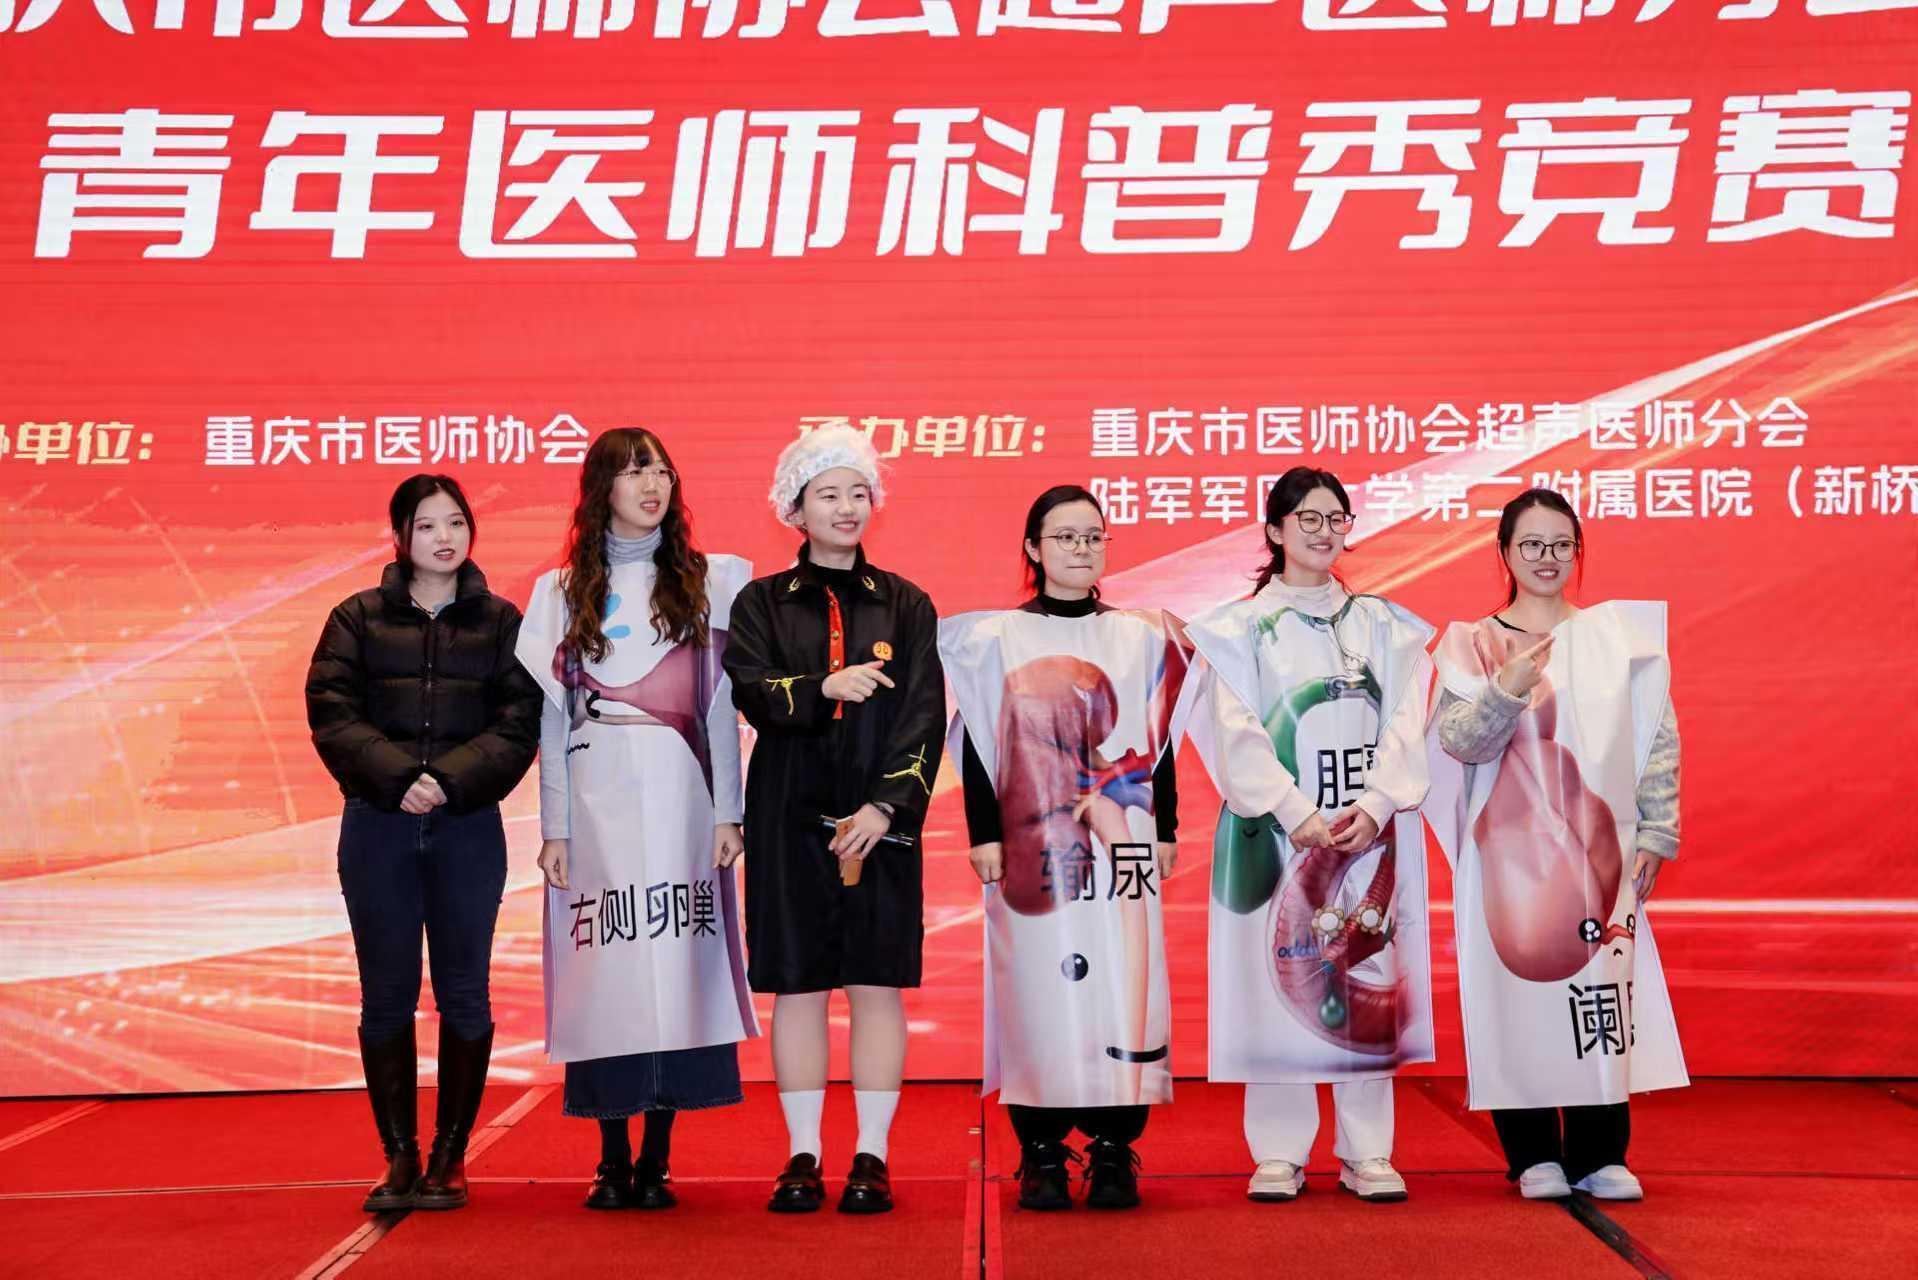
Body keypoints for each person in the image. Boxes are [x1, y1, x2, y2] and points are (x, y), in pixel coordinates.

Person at [517, 429, 758, 1211]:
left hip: (685, 802)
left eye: (659, 470)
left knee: (678, 967)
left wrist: (729, 813)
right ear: (602, 490)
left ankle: (657, 1157)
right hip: (598, 811)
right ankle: (611, 1156)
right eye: (632, 473)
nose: (651, 485)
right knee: (608, 972)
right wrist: (555, 829)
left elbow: (720, 709)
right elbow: (555, 722)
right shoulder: (559, 594)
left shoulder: (708, 583)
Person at [1181, 466, 1435, 1204]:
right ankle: (1278, 1152)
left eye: (1336, 519)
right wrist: (1297, 814)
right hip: (1275, 834)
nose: (1325, 533)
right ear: (1274, 530)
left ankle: (1368, 1151)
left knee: (1368, 971)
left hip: (1368, 834)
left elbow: (1407, 723)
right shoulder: (1237, 630)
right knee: (1276, 981)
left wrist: (1377, 804)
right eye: (1308, 519)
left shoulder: (1386, 625)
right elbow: (1234, 734)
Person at [1427, 487, 1686, 1202]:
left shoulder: (1617, 637)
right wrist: (1505, 690)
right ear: (1505, 553)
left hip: (1600, 857)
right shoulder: (1472, 643)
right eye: (1532, 545)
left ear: (1578, 552)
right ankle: (1533, 1152)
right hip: (1507, 866)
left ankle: (1601, 1153)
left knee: (1600, 991)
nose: (1547, 558)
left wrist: (1658, 829)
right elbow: (1460, 744)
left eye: (1561, 545)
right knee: (1517, 997)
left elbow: (1657, 738)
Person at [941, 485, 1190, 1212]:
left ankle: (1114, 1148)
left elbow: (1157, 742)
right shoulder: (995, 639)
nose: (1082, 549)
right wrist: (984, 834)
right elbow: (979, 743)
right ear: (1033, 548)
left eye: (1093, 536)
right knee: (1036, 988)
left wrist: (1166, 829)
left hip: (1124, 850)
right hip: (1033, 851)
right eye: (1065, 537)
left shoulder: (1140, 637)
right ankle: (1042, 1150)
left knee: (1124, 984)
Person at [722, 426, 946, 1216]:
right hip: (787, 812)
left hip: (880, 820)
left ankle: (872, 1155)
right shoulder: (760, 602)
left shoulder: (906, 603)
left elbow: (924, 715)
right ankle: (803, 1153)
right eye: (828, 494)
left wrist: (886, 806)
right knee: (799, 986)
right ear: (796, 507)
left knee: (877, 984)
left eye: (857, 492)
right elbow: (753, 691)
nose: (846, 507)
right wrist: (824, 686)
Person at [306, 473, 542, 1212]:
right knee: (387, 994)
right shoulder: (357, 616)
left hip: (466, 826)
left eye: (457, 523)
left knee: (465, 990)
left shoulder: (502, 622)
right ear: (400, 536)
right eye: (428, 525)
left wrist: (447, 781)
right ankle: (399, 1156)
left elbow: (520, 720)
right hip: (377, 825)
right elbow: (331, 710)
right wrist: (400, 778)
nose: (445, 538)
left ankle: (450, 1155)